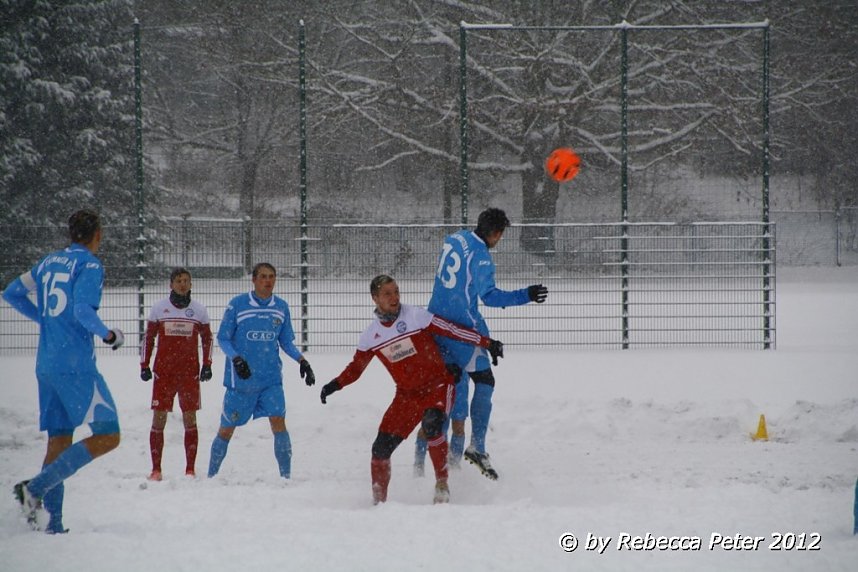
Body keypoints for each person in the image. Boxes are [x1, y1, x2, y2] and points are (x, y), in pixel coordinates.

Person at [319, 274, 503, 505]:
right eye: (387, 293)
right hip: (406, 396)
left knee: (432, 423)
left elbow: (452, 330)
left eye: (396, 291)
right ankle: (379, 503)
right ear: (375, 298)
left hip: (439, 385)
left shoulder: (416, 316)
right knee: (380, 449)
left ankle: (442, 485)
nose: (394, 297)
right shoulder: (371, 336)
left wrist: (487, 342)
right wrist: (334, 384)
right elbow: (356, 368)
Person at [2, 209, 125, 533]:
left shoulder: (47, 262)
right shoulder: (89, 264)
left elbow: (11, 292)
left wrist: (44, 319)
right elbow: (83, 310)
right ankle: (35, 488)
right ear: (97, 234)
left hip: (46, 364)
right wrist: (108, 334)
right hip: (75, 366)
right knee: (109, 435)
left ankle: (51, 524)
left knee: (58, 441)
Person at [413, 208, 547, 480]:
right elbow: (490, 297)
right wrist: (527, 295)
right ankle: (470, 454)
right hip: (462, 330)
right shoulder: (482, 257)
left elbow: (460, 285)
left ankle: (419, 470)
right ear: (496, 234)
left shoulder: (456, 238)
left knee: (443, 404)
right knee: (478, 388)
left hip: (435, 325)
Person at [207, 262, 315, 480]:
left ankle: (286, 477)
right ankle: (211, 476)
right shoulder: (237, 305)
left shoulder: (281, 307)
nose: (268, 281)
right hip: (241, 382)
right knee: (227, 429)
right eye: (264, 276)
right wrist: (236, 359)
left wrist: (302, 361)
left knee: (278, 421)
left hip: (270, 379)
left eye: (272, 276)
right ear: (254, 280)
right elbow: (223, 338)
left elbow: (285, 341)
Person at [139, 267, 213, 480]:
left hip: (189, 374)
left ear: (191, 285)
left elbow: (207, 339)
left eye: (186, 281)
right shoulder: (159, 309)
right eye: (179, 280)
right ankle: (156, 469)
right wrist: (144, 365)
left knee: (190, 419)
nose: (183, 284)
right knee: (158, 418)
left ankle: (190, 469)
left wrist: (207, 364)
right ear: (170, 284)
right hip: (164, 373)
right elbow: (149, 338)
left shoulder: (199, 310)